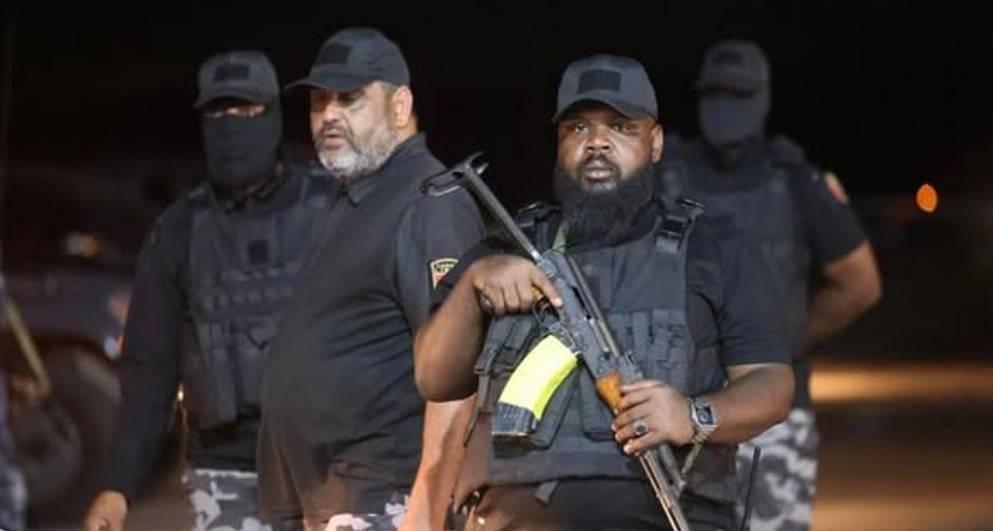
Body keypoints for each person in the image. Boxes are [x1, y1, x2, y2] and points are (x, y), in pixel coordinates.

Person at [414, 53, 796, 531]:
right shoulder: (506, 248)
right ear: (559, 143)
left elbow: (770, 383)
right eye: (577, 128)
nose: (596, 142)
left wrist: (691, 415)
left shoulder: (714, 250)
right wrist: (472, 287)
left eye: (621, 127)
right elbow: (433, 378)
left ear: (655, 142)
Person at [83, 50, 333, 531]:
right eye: (220, 112)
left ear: (273, 115)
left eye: (247, 110)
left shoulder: (333, 209)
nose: (232, 125)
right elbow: (149, 372)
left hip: (335, 466)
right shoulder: (178, 232)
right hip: (226, 470)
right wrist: (118, 486)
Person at [255, 27, 484, 531]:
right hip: (334, 501)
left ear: (400, 107)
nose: (329, 115)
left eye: (350, 98)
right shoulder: (358, 195)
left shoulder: (428, 204)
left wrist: (425, 511)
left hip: (384, 501)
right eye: (319, 101)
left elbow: (457, 374)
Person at [658, 39, 882, 530]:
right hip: (679, 410)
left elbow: (859, 283)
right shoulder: (665, 175)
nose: (723, 108)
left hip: (775, 417)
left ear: (760, 98)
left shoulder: (795, 179)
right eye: (713, 94)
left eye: (736, 95)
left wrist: (783, 342)